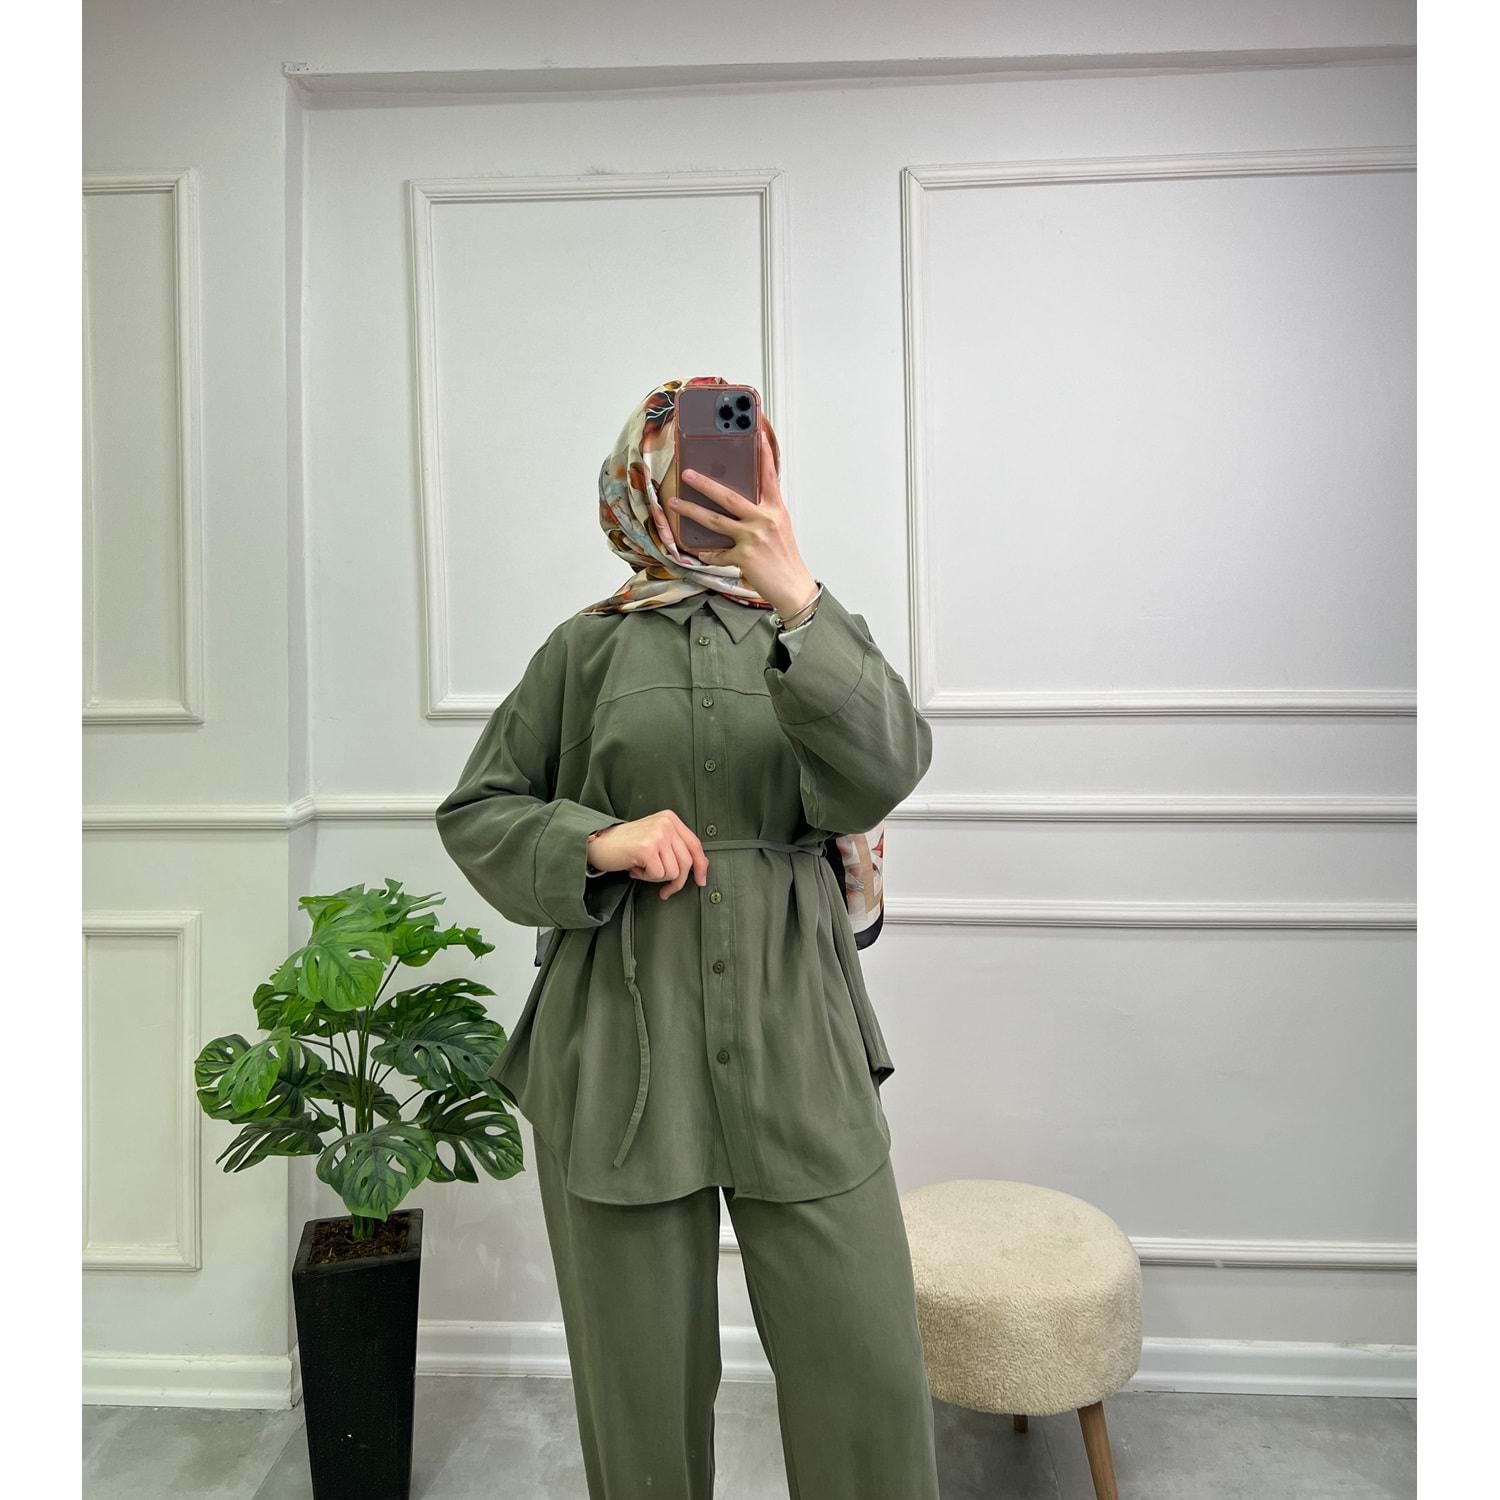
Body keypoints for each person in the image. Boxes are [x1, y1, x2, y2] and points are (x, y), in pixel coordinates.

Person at [436, 376, 940, 1499]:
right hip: (620, 1042)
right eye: (690, 471)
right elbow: (478, 812)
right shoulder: (584, 651)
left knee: (865, 1370)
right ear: (641, 486)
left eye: (743, 468)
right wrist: (600, 839)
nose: (717, 491)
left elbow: (891, 766)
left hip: (797, 1030)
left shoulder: (812, 631)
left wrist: (799, 599)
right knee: (642, 1391)